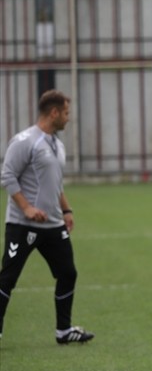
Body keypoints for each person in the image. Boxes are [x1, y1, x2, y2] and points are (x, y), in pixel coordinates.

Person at [0, 90, 93, 344]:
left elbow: (56, 183)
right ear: (54, 113)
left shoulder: (57, 145)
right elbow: (7, 176)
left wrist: (66, 210)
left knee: (67, 273)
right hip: (22, 224)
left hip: (53, 225)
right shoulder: (24, 141)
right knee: (7, 278)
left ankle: (64, 331)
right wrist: (27, 207)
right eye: (66, 113)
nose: (68, 118)